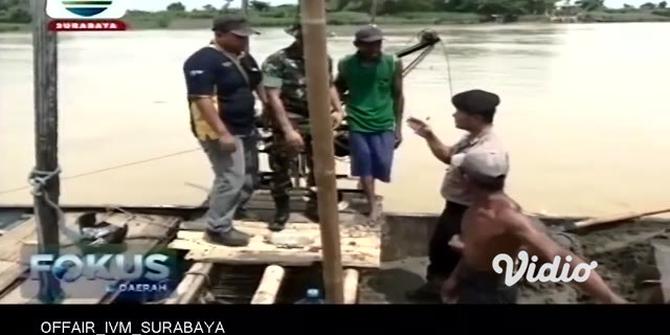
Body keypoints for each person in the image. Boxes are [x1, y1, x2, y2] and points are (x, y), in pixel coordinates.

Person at [438, 148, 626, 304]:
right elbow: (484, 248)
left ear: (467, 179)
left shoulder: (507, 217)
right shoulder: (477, 208)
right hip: (473, 282)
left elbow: (558, 256)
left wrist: (609, 298)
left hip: (492, 292)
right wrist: (456, 276)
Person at [405, 89, 506, 300]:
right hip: (454, 206)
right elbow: (449, 156)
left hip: (469, 210)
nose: (454, 115)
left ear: (476, 118)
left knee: (453, 255)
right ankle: (436, 288)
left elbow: (491, 190)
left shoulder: (488, 152)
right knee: (439, 250)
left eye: (458, 112)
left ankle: (449, 292)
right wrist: (429, 135)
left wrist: (474, 224)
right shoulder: (471, 138)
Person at [182, 16, 261, 247]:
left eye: (246, 36)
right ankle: (217, 228)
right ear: (219, 35)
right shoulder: (202, 61)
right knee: (230, 178)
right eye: (238, 37)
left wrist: (269, 111)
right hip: (220, 129)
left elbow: (257, 83)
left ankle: (233, 211)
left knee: (248, 175)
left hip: (246, 125)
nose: (244, 41)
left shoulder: (244, 58)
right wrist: (223, 133)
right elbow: (201, 99)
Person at [261, 23, 345, 232]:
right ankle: (282, 210)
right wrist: (288, 130)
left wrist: (337, 109)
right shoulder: (275, 61)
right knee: (281, 166)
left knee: (320, 166)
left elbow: (329, 85)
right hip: (289, 119)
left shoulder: (323, 58)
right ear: (299, 39)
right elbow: (272, 97)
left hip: (317, 119)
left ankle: (315, 206)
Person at [335, 25, 404, 224]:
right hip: (357, 120)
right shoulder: (346, 64)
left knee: (382, 164)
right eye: (369, 45)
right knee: (365, 165)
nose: (375, 49)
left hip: (384, 121)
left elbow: (398, 95)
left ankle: (366, 185)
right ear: (357, 45)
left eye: (378, 44)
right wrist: (335, 108)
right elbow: (338, 87)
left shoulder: (392, 62)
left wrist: (398, 127)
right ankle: (372, 204)